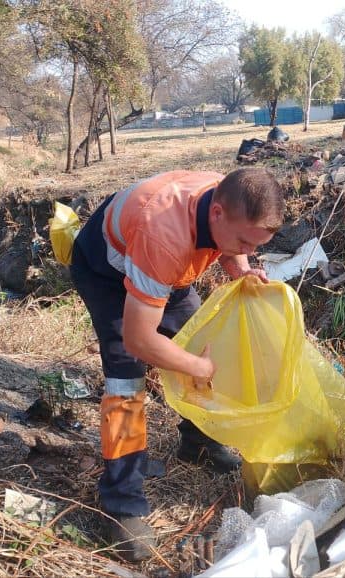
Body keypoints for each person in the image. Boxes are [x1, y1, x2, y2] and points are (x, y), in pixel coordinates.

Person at [69, 167, 285, 562]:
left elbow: (233, 243)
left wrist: (240, 265)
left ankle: (198, 441)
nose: (244, 249)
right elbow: (140, 338)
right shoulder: (163, 235)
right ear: (217, 214)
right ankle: (121, 503)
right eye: (240, 241)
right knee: (126, 380)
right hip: (106, 271)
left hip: (161, 268)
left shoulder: (232, 196)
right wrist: (194, 368)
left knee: (204, 343)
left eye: (254, 246)